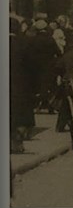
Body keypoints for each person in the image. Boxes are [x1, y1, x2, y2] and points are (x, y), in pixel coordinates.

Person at [10, 18, 35, 154]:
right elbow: (31, 67)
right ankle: (16, 143)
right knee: (18, 116)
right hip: (20, 86)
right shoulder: (24, 43)